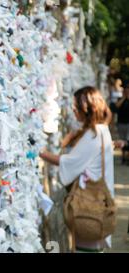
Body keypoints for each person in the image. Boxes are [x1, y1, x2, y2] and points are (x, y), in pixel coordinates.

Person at [40, 86, 114, 253]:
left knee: (86, 245)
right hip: (98, 199)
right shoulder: (101, 130)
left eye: (76, 106)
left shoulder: (93, 135)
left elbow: (68, 162)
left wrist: (40, 153)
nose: (73, 109)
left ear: (87, 109)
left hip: (89, 202)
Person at [116, 84, 129, 163]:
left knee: (128, 140)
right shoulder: (120, 99)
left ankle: (127, 157)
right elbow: (116, 106)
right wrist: (124, 98)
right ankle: (123, 156)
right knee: (122, 140)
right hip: (121, 123)